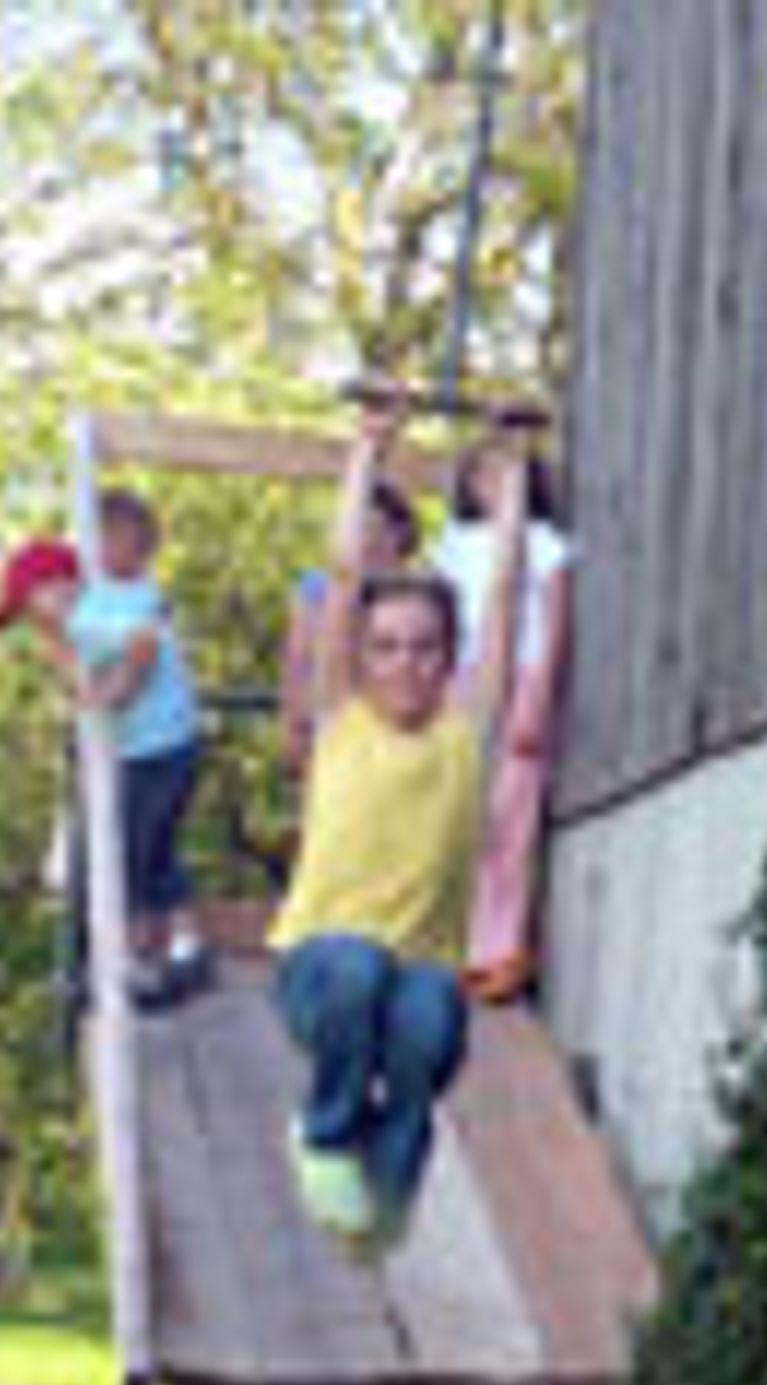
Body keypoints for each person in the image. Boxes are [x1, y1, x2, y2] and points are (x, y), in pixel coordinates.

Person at [269, 398, 526, 1253]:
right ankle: (325, 1134)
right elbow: (345, 578)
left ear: (449, 658)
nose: (405, 664)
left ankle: (383, 1200)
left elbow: (506, 595)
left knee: (433, 1018)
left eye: (423, 648)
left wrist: (512, 480)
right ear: (361, 657)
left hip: (418, 971)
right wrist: (367, 450)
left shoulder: (466, 732)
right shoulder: (341, 720)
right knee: (359, 966)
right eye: (385, 647)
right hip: (321, 969)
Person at [0, 491, 213, 1011]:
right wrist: (64, 656)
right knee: (143, 850)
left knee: (136, 853)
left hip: (162, 748)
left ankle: (145, 959)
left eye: (28, 604)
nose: (28, 618)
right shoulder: (78, 619)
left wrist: (114, 689)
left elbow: (142, 646)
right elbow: (83, 673)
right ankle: (165, 952)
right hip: (141, 749)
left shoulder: (95, 611)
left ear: (58, 587)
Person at [430, 440, 571, 1004]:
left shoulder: (544, 542)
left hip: (521, 678)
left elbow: (554, 626)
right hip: (462, 679)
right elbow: (437, 618)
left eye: (508, 472)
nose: (494, 484)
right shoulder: (455, 544)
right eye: (482, 474)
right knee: (456, 813)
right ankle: (451, 943)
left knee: (512, 818)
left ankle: (501, 949)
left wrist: (537, 694)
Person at [276, 478, 420, 774]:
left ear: (401, 535)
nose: (368, 541)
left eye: (379, 530)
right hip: (328, 728)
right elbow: (297, 660)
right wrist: (293, 725)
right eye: (360, 530)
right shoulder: (316, 588)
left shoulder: (419, 593)